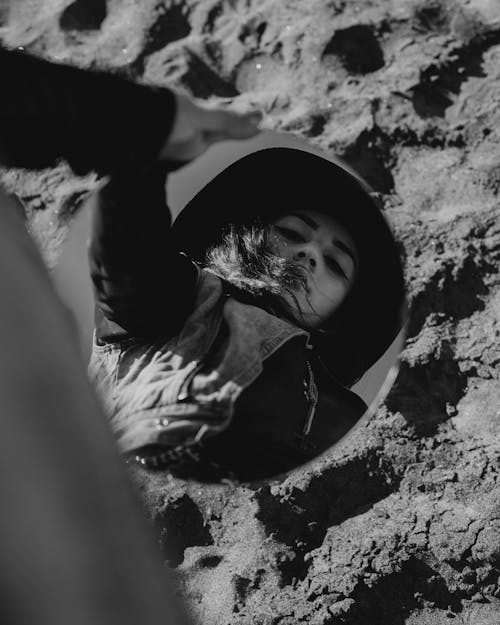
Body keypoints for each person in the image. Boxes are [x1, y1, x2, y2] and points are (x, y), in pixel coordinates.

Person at [0, 46, 405, 482]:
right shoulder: (180, 294)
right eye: (292, 233)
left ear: (344, 308)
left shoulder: (351, 413)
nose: (309, 254)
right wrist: (144, 149)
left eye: (335, 264)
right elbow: (130, 254)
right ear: (246, 238)